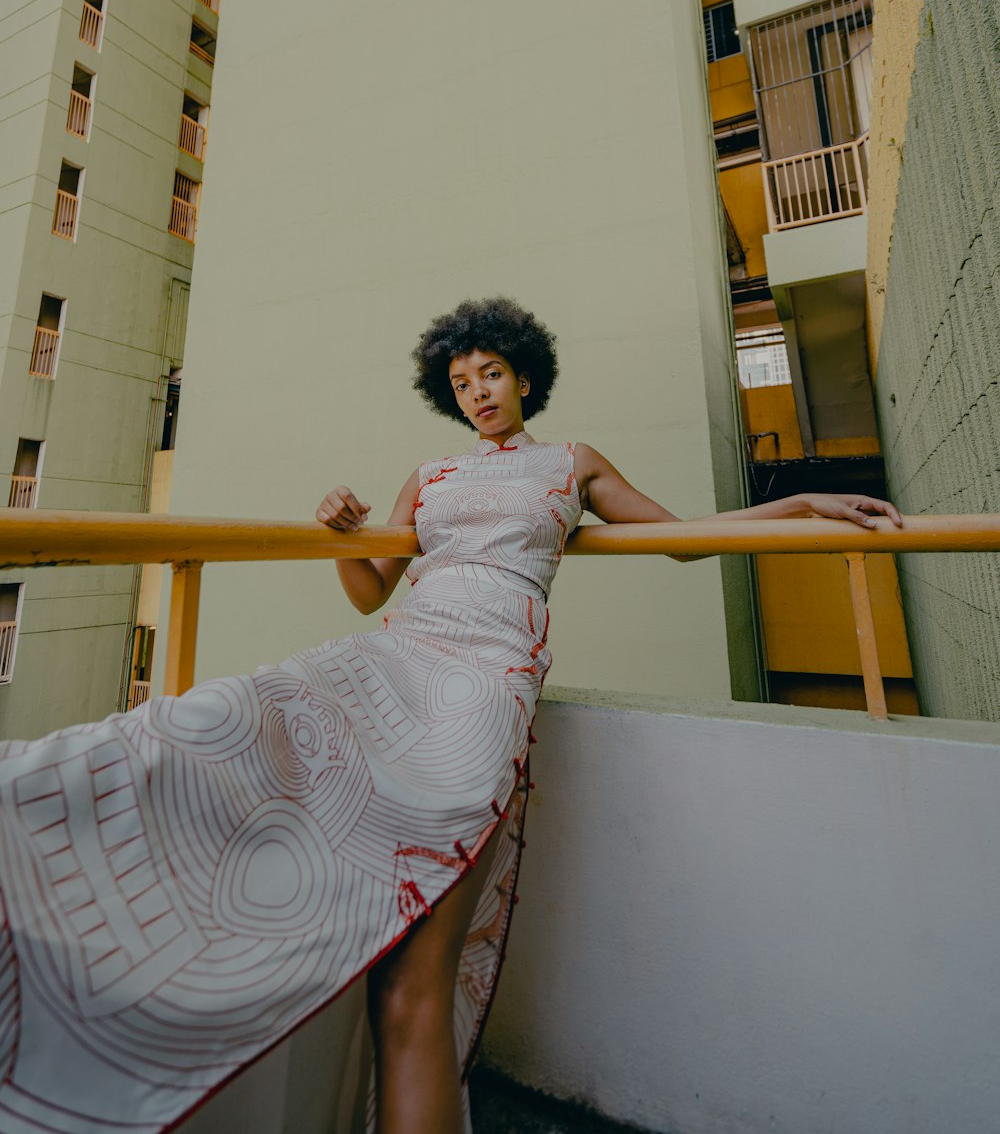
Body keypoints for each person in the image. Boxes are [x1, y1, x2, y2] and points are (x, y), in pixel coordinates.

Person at [0, 297, 900, 1134]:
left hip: (488, 681)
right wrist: (341, 533)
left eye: (492, 375)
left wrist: (801, 502)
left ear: (524, 378)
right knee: (224, 721)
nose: (479, 394)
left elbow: (680, 540)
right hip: (396, 654)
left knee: (411, 974)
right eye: (462, 383)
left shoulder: (571, 463)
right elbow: (366, 595)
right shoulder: (428, 477)